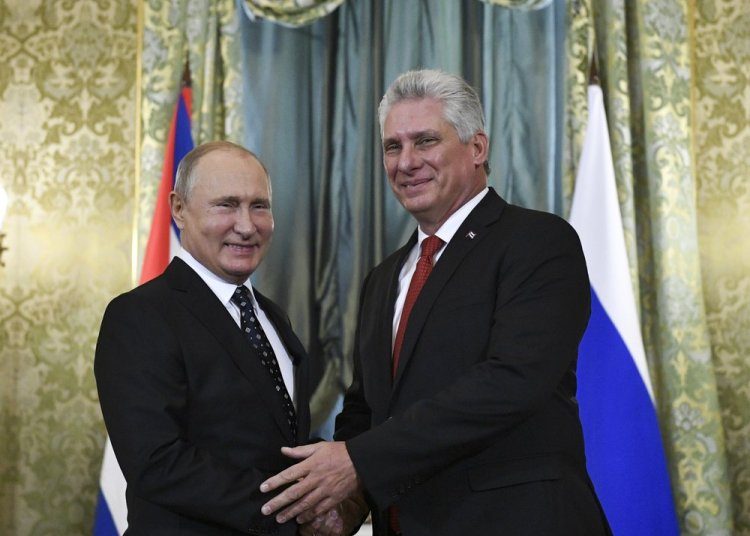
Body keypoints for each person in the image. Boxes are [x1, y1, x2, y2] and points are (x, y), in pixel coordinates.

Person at [258, 70, 612, 536]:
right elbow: (367, 409)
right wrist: (345, 502)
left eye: (425, 141)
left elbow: (511, 382)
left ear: (478, 148)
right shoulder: (383, 279)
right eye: (392, 146)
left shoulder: (537, 241)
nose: (406, 162)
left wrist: (357, 462)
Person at [95, 141, 314, 535]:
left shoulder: (273, 317)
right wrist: (292, 514)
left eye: (259, 206)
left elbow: (277, 438)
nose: (247, 226)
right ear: (179, 208)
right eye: (226, 205)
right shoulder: (140, 315)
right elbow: (158, 462)